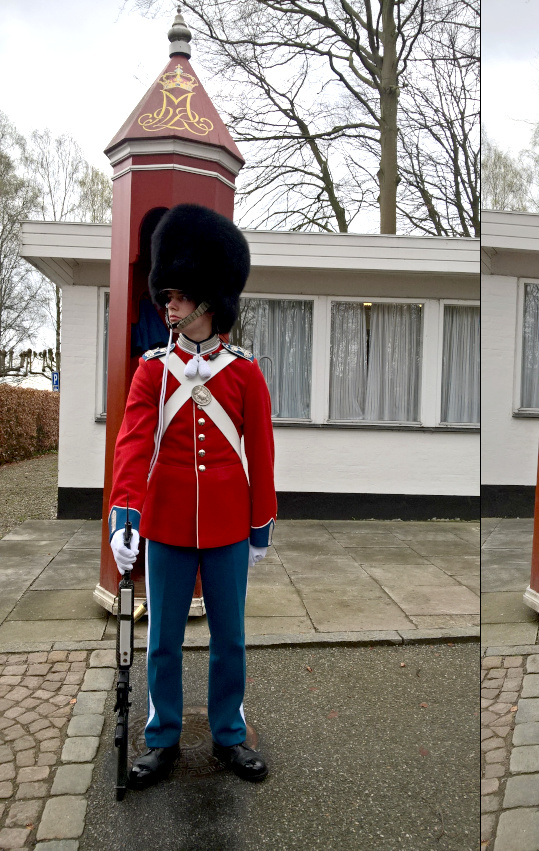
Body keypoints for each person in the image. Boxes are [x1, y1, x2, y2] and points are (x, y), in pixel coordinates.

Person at [108, 203, 277, 789]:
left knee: (230, 639)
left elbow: (261, 454)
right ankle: (163, 736)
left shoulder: (245, 373)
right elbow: (132, 447)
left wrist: (261, 524)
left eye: (178, 295)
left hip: (229, 526)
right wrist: (125, 515)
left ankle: (230, 733)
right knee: (163, 641)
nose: (168, 304)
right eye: (168, 293)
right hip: (168, 525)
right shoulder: (153, 371)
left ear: (207, 300)